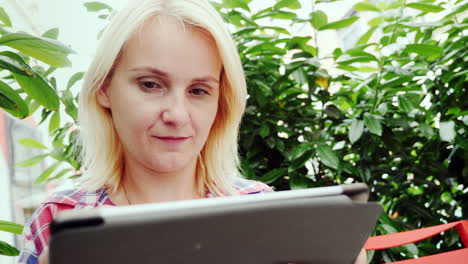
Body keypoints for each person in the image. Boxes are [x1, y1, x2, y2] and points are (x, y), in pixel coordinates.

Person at [18, 0, 367, 263]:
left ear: (221, 103)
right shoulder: (57, 221)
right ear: (105, 89)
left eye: (199, 91)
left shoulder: (261, 211)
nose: (177, 115)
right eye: (151, 84)